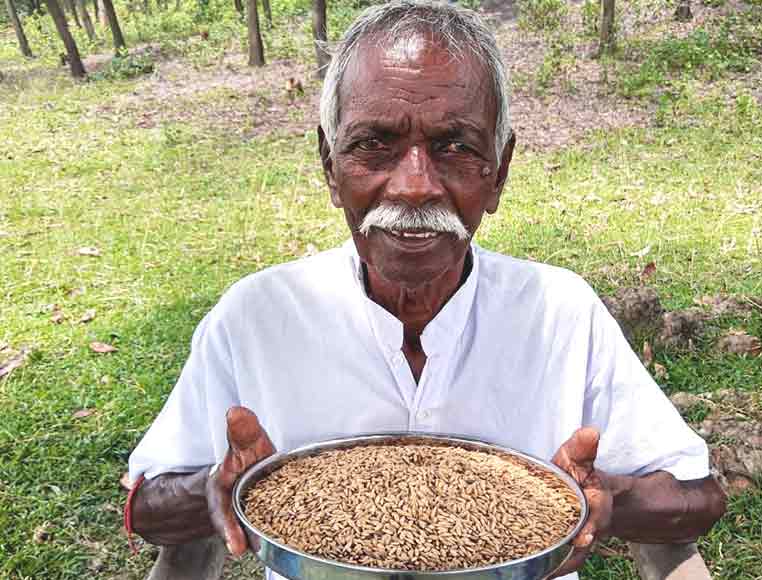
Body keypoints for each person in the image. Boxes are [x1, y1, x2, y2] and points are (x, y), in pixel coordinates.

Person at [126, 2, 726, 579]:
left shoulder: (560, 313)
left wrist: (603, 499)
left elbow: (698, 497)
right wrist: (216, 485)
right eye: (373, 145)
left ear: (500, 170)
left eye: (456, 147)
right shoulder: (258, 317)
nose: (415, 187)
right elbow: (148, 506)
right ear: (330, 166)